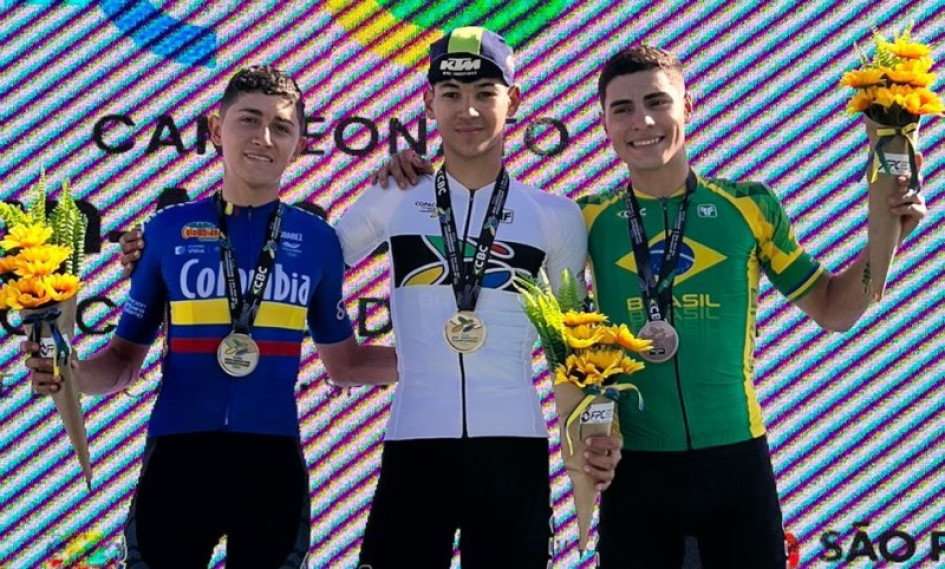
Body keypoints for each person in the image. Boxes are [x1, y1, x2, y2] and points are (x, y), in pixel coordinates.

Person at [372, 45, 927, 568]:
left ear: (686, 105)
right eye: (623, 109)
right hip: (633, 476)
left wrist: (888, 233)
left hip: (735, 465)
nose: (642, 122)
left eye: (657, 102)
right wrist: (416, 175)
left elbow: (835, 309)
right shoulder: (585, 219)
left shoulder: (748, 206)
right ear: (606, 123)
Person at [116, 30, 622, 569]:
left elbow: (574, 355)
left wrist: (594, 434)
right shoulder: (393, 194)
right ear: (428, 102)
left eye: (483, 91)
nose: (467, 108)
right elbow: (300, 256)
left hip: (514, 450)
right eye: (450, 93)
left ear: (513, 101)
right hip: (412, 450)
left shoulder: (556, 215)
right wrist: (154, 251)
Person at [24, 65, 397, 569]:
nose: (264, 138)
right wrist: (71, 374)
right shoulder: (165, 231)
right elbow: (122, 360)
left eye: (282, 127)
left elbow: (346, 364)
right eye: (249, 120)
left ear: (300, 144)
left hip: (272, 466)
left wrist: (445, 358)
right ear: (217, 129)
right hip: (178, 462)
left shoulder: (318, 242)